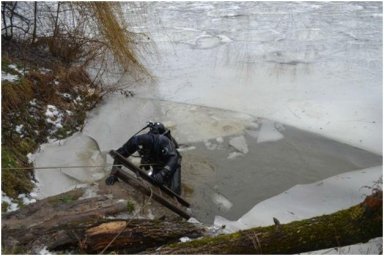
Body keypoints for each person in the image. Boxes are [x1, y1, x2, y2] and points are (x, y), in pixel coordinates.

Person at [105, 122, 182, 195]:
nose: (145, 150)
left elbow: (174, 157)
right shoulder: (135, 141)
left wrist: (163, 173)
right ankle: (159, 176)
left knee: (175, 191)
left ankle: (168, 180)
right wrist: (113, 174)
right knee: (156, 183)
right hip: (156, 162)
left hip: (171, 161)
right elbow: (119, 155)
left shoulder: (163, 140)